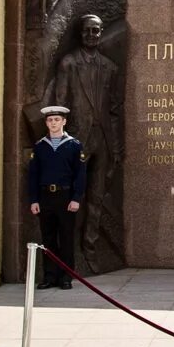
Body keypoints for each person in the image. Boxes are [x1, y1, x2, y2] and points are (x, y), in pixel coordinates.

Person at [55, 14, 122, 272]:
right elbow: (60, 105)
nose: (92, 35)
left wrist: (115, 147)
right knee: (74, 196)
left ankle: (90, 250)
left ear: (101, 32)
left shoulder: (110, 68)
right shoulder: (68, 64)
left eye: (96, 31)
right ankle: (68, 252)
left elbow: (114, 111)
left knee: (96, 198)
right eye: (87, 31)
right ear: (80, 33)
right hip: (77, 139)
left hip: (103, 140)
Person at [28, 105, 86, 290]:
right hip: (45, 197)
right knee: (48, 239)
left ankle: (66, 277)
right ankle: (49, 277)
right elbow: (33, 175)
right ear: (46, 123)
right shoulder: (39, 146)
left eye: (57, 120)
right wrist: (34, 200)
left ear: (64, 122)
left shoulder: (73, 145)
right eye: (50, 120)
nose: (53, 123)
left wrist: (76, 198)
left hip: (66, 197)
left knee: (66, 238)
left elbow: (80, 174)